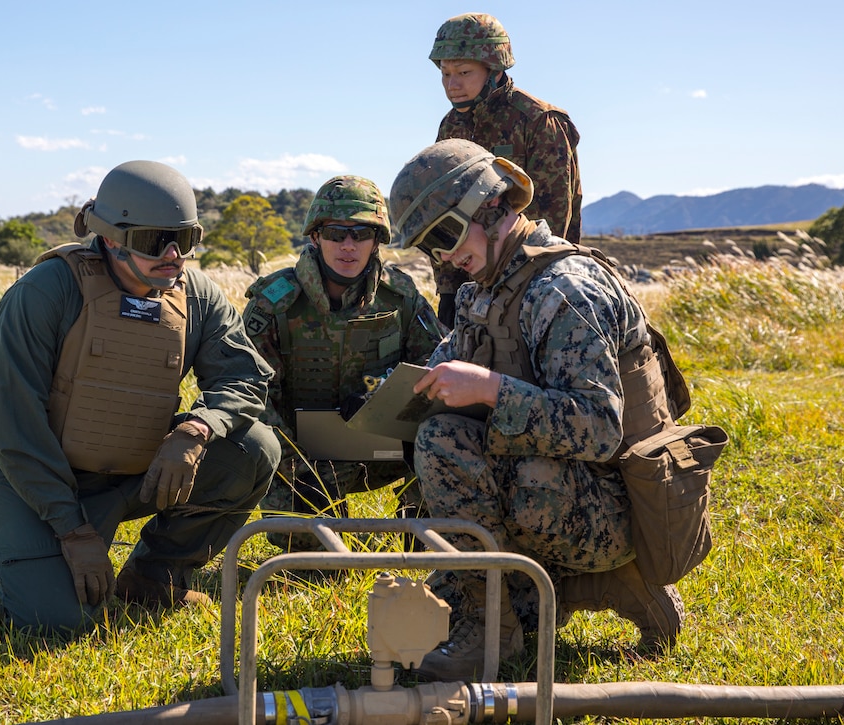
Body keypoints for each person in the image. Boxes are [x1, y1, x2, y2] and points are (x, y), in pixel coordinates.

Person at [388, 139, 683, 681]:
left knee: (446, 444)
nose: (445, 257)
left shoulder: (565, 291)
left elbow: (597, 428)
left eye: (447, 236)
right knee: (438, 601)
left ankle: (506, 620)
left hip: (613, 503)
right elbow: (447, 361)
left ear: (494, 208)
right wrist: (393, 396)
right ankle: (545, 594)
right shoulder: (490, 286)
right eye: (430, 248)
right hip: (559, 484)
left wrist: (490, 389)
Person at [0, 160, 281, 633]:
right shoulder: (45, 294)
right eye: (155, 241)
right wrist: (72, 530)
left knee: (253, 448)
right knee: (57, 624)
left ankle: (155, 576)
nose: (173, 255)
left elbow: (246, 378)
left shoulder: (197, 297)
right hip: (42, 478)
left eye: (185, 240)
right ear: (110, 238)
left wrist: (196, 429)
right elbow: (13, 429)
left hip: (137, 469)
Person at [242, 175, 443, 551]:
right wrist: (290, 463)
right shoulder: (275, 303)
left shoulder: (400, 296)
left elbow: (437, 367)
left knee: (449, 437)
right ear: (316, 236)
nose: (348, 246)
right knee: (317, 568)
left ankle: (417, 531)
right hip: (299, 452)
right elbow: (250, 394)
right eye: (336, 233)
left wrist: (389, 395)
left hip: (380, 445)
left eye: (362, 233)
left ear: (377, 240)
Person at [427, 12, 583, 328]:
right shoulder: (451, 125)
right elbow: (442, 210)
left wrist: (524, 287)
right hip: (469, 278)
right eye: (445, 74)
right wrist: (447, 289)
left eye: (464, 72)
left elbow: (551, 220)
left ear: (495, 69)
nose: (452, 85)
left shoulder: (539, 121)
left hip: (536, 278)